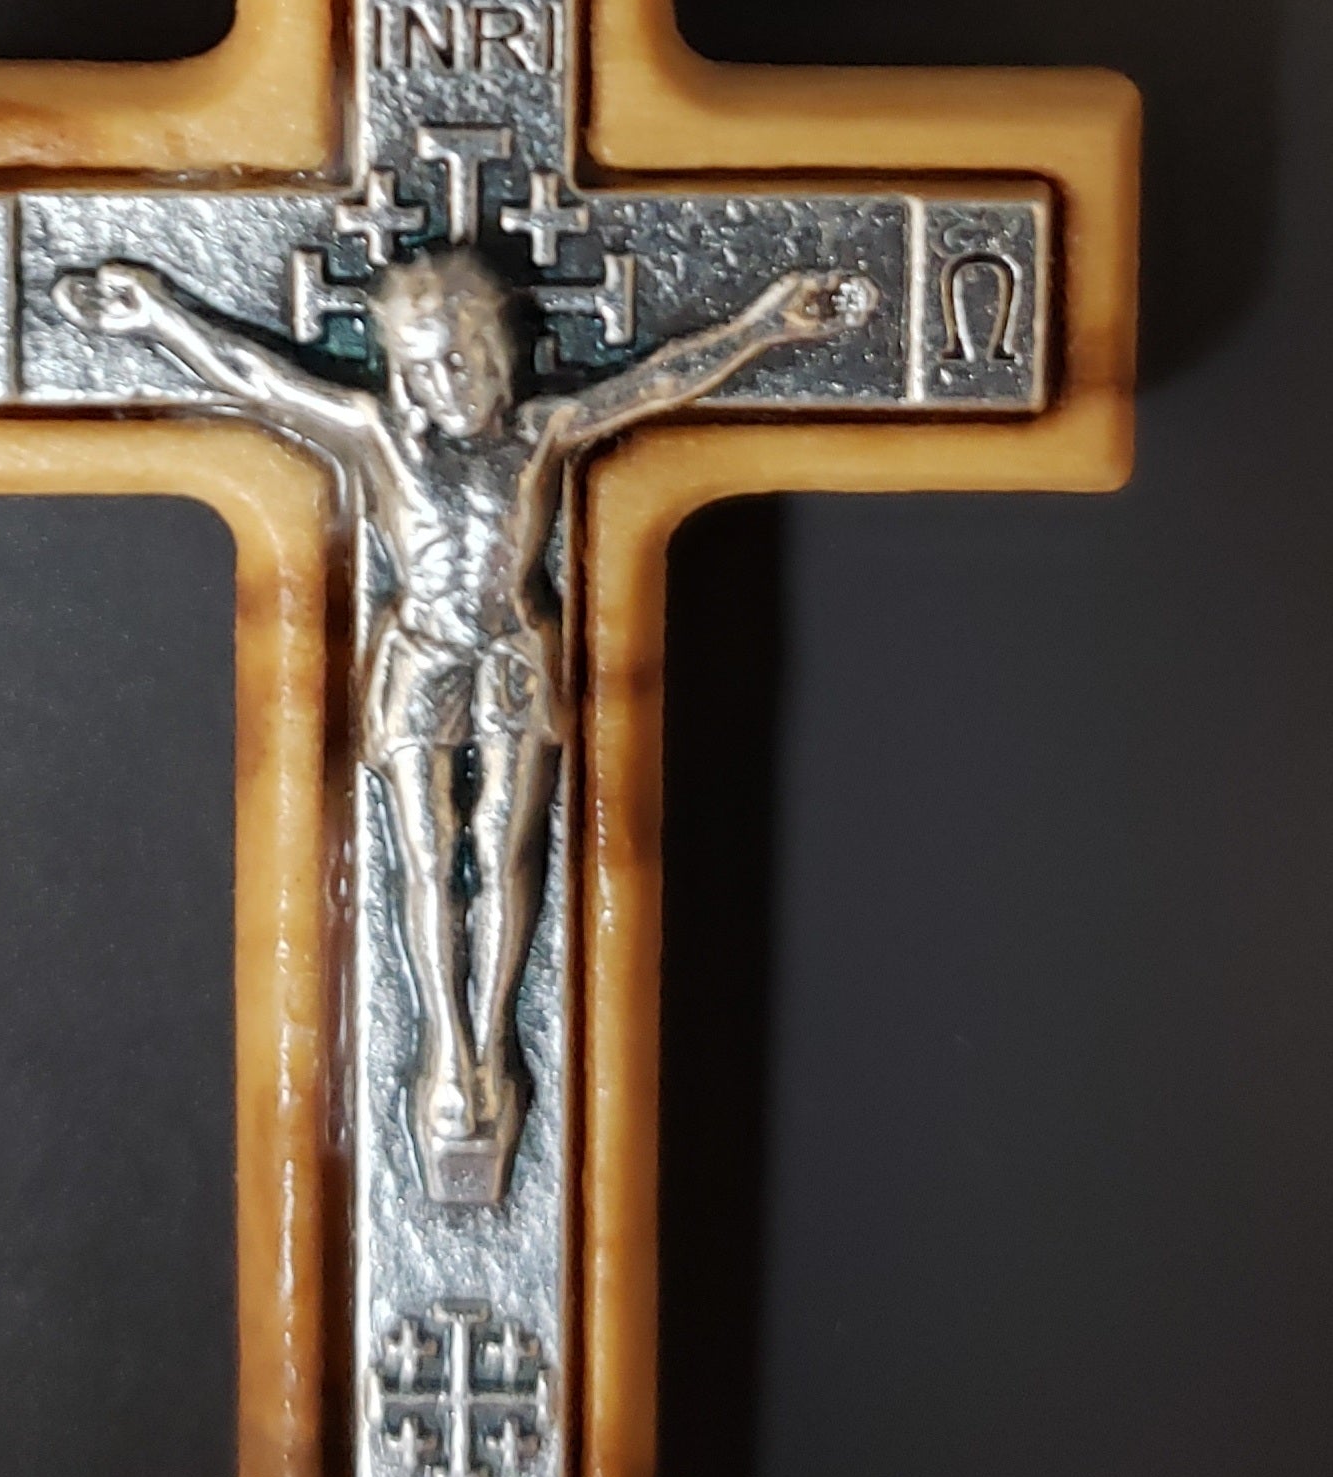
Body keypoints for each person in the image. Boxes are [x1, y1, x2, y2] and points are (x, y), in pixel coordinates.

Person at [54, 245, 873, 1203]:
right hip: (422, 656)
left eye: (464, 357)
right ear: (396, 366)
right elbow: (258, 378)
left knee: (507, 849)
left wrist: (767, 326)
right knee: (427, 856)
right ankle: (446, 1045)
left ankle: (489, 1040)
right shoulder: (378, 435)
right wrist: (158, 318)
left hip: (511, 653)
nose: (448, 383)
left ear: (501, 348)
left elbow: (661, 378)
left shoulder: (542, 432)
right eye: (423, 364)